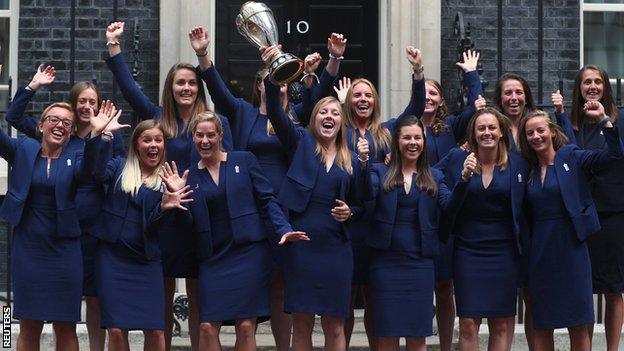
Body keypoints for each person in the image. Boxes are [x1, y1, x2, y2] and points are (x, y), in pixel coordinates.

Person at [189, 27, 344, 349]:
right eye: (268, 80)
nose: (275, 85)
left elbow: (324, 105)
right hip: (246, 206)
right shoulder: (243, 113)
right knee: (253, 287)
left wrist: (331, 63)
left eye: (282, 80)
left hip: (283, 209)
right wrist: (203, 56)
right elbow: (217, 91)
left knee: (280, 284)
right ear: (259, 85)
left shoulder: (298, 119)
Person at [105, 21, 233, 350]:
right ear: (171, 88)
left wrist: (203, 56)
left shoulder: (214, 123)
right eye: (180, 83)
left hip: (199, 215)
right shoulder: (158, 117)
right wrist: (115, 48)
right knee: (159, 293)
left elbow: (226, 166)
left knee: (197, 293)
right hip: (163, 216)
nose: (186, 88)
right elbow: (130, 90)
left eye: (191, 83)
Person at [6, 64, 126, 351]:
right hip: (29, 246)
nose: (59, 125)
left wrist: (99, 136)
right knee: (28, 324)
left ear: (71, 131)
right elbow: (11, 117)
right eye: (53, 120)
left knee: (65, 324)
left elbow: (93, 174)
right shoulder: (23, 150)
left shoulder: (78, 157)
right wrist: (31, 86)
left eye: (66, 123)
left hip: (65, 248)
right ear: (41, 125)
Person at [174, 111, 307, 350]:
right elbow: (188, 224)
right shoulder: (188, 176)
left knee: (246, 326)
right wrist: (177, 203)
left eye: (211, 135)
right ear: (193, 138)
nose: (205, 141)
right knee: (206, 327)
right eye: (200, 135)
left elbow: (266, 200)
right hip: (212, 258)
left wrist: (283, 229)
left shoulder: (244, 160)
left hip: (248, 255)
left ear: (220, 136)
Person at [263, 43, 360, 351]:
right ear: (314, 119)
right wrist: (271, 75)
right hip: (303, 244)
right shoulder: (301, 141)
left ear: (342, 121)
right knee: (302, 322)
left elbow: (364, 202)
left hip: (336, 248)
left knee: (334, 323)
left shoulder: (353, 158)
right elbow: (277, 113)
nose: (329, 116)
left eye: (335, 112)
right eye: (323, 112)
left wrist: (351, 212)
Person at [337, 45, 426, 350]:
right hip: (346, 225)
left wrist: (417, 73)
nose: (363, 99)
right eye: (357, 95)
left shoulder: (387, 132)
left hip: (377, 226)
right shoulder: (340, 133)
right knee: (345, 299)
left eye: (368, 95)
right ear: (349, 101)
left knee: (376, 300)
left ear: (375, 101)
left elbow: (414, 109)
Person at [517, 109, 623, 351]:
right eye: (530, 132)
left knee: (577, 323)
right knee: (543, 323)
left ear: (552, 132)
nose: (536, 136)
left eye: (541, 130)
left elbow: (615, 155)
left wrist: (604, 121)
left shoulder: (570, 157)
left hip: (572, 249)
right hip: (540, 252)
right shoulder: (527, 168)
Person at [85, 117, 192, 351]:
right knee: (115, 329)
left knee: (155, 330)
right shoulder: (119, 166)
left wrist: (167, 205)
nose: (153, 145)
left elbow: (157, 227)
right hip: (112, 260)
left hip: (146, 262)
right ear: (136, 144)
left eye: (158, 140)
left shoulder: (169, 180)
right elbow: (94, 172)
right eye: (147, 140)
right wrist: (101, 136)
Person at [355, 115, 452, 351]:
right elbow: (366, 193)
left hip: (420, 264)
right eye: (407, 137)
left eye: (417, 138)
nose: (413, 142)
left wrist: (468, 179)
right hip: (386, 264)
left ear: (424, 142)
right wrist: (364, 161)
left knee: (417, 335)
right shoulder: (379, 171)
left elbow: (451, 206)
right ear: (396, 141)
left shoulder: (435, 177)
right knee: (387, 335)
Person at [436, 107, 528, 351]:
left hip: (505, 252)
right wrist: (462, 179)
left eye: (491, 128)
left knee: (500, 323)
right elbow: (436, 181)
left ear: (501, 132)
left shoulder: (518, 163)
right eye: (481, 128)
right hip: (468, 250)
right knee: (467, 322)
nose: (487, 132)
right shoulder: (458, 159)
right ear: (473, 134)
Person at [565, 64, 624, 351]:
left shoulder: (619, 120)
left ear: (605, 87)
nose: (592, 87)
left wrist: (605, 121)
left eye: (598, 82)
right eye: (587, 82)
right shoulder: (570, 125)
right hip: (578, 214)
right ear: (579, 88)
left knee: (613, 289)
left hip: (612, 213)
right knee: (582, 289)